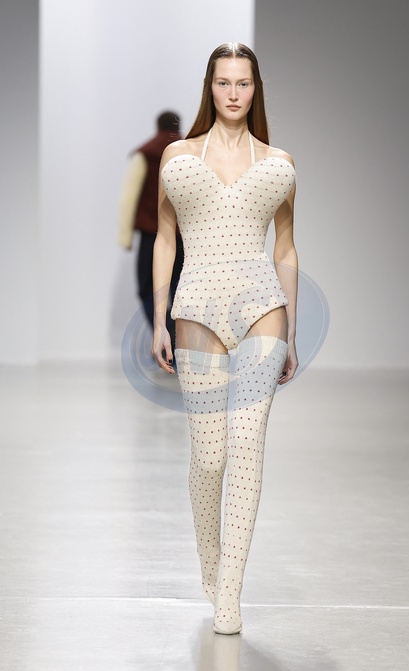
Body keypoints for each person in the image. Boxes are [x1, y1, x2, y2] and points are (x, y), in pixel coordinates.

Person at [152, 43, 298, 634]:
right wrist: (159, 317)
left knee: (248, 447)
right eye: (223, 82)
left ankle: (231, 592)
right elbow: (165, 238)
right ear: (209, 88)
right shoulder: (179, 155)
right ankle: (210, 565)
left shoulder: (279, 163)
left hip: (263, 309)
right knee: (209, 457)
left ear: (256, 88)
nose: (233, 93)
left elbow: (285, 247)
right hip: (197, 311)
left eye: (243, 83)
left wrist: (293, 331)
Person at [118, 111, 184, 349]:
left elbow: (129, 198)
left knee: (147, 289)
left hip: (150, 235)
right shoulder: (189, 153)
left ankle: (167, 338)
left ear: (157, 126)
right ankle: (178, 342)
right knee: (180, 292)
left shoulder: (145, 155)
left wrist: (125, 236)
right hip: (183, 236)